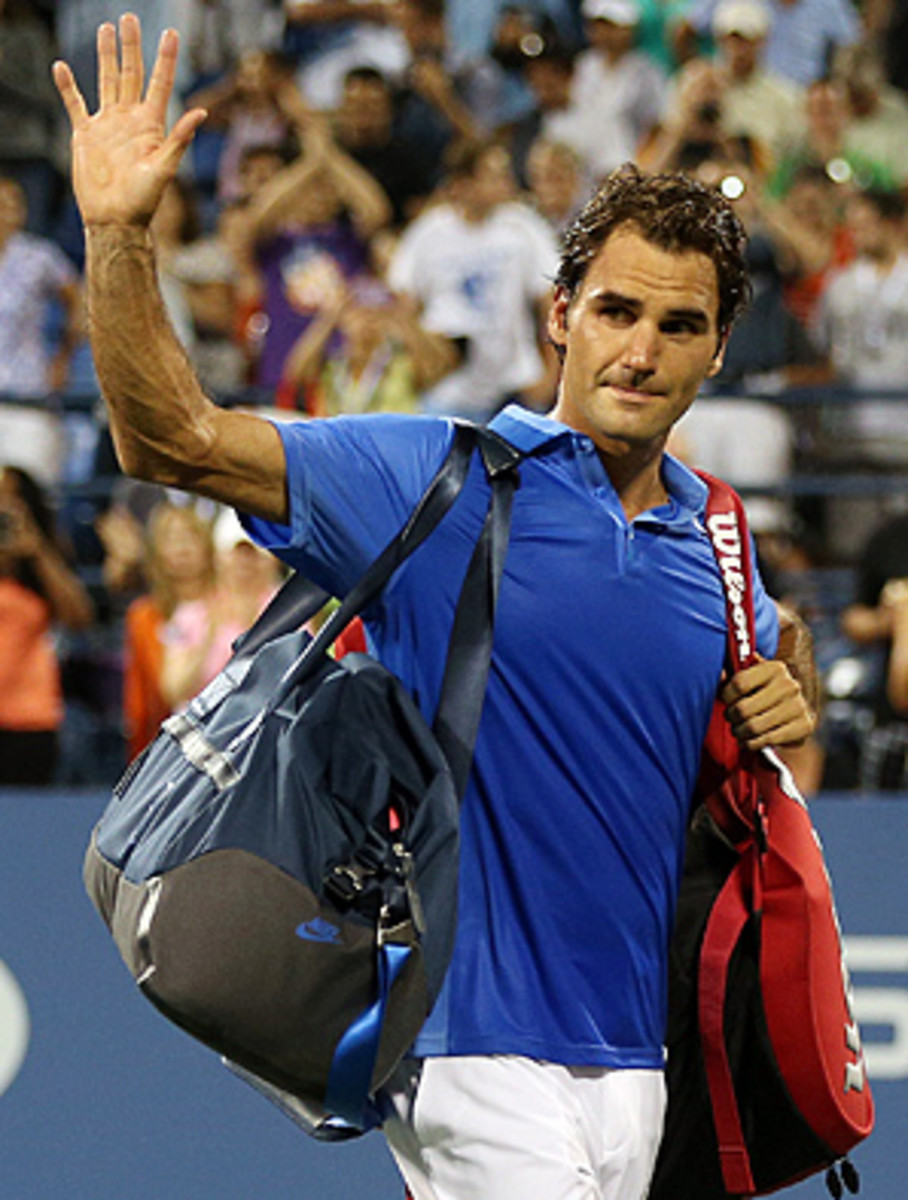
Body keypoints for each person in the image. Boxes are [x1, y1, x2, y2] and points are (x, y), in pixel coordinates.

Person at [53, 17, 817, 1199]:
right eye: (615, 311)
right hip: (469, 1048)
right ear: (559, 312)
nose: (640, 350)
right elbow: (175, 440)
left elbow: (761, 650)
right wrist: (118, 232)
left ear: (716, 351)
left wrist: (788, 676)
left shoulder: (714, 538)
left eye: (679, 326)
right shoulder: (433, 479)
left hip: (637, 1067)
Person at [0, 464, 94, 785]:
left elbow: (79, 617)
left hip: (30, 720)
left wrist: (37, 551)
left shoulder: (40, 562)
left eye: (11, 500)